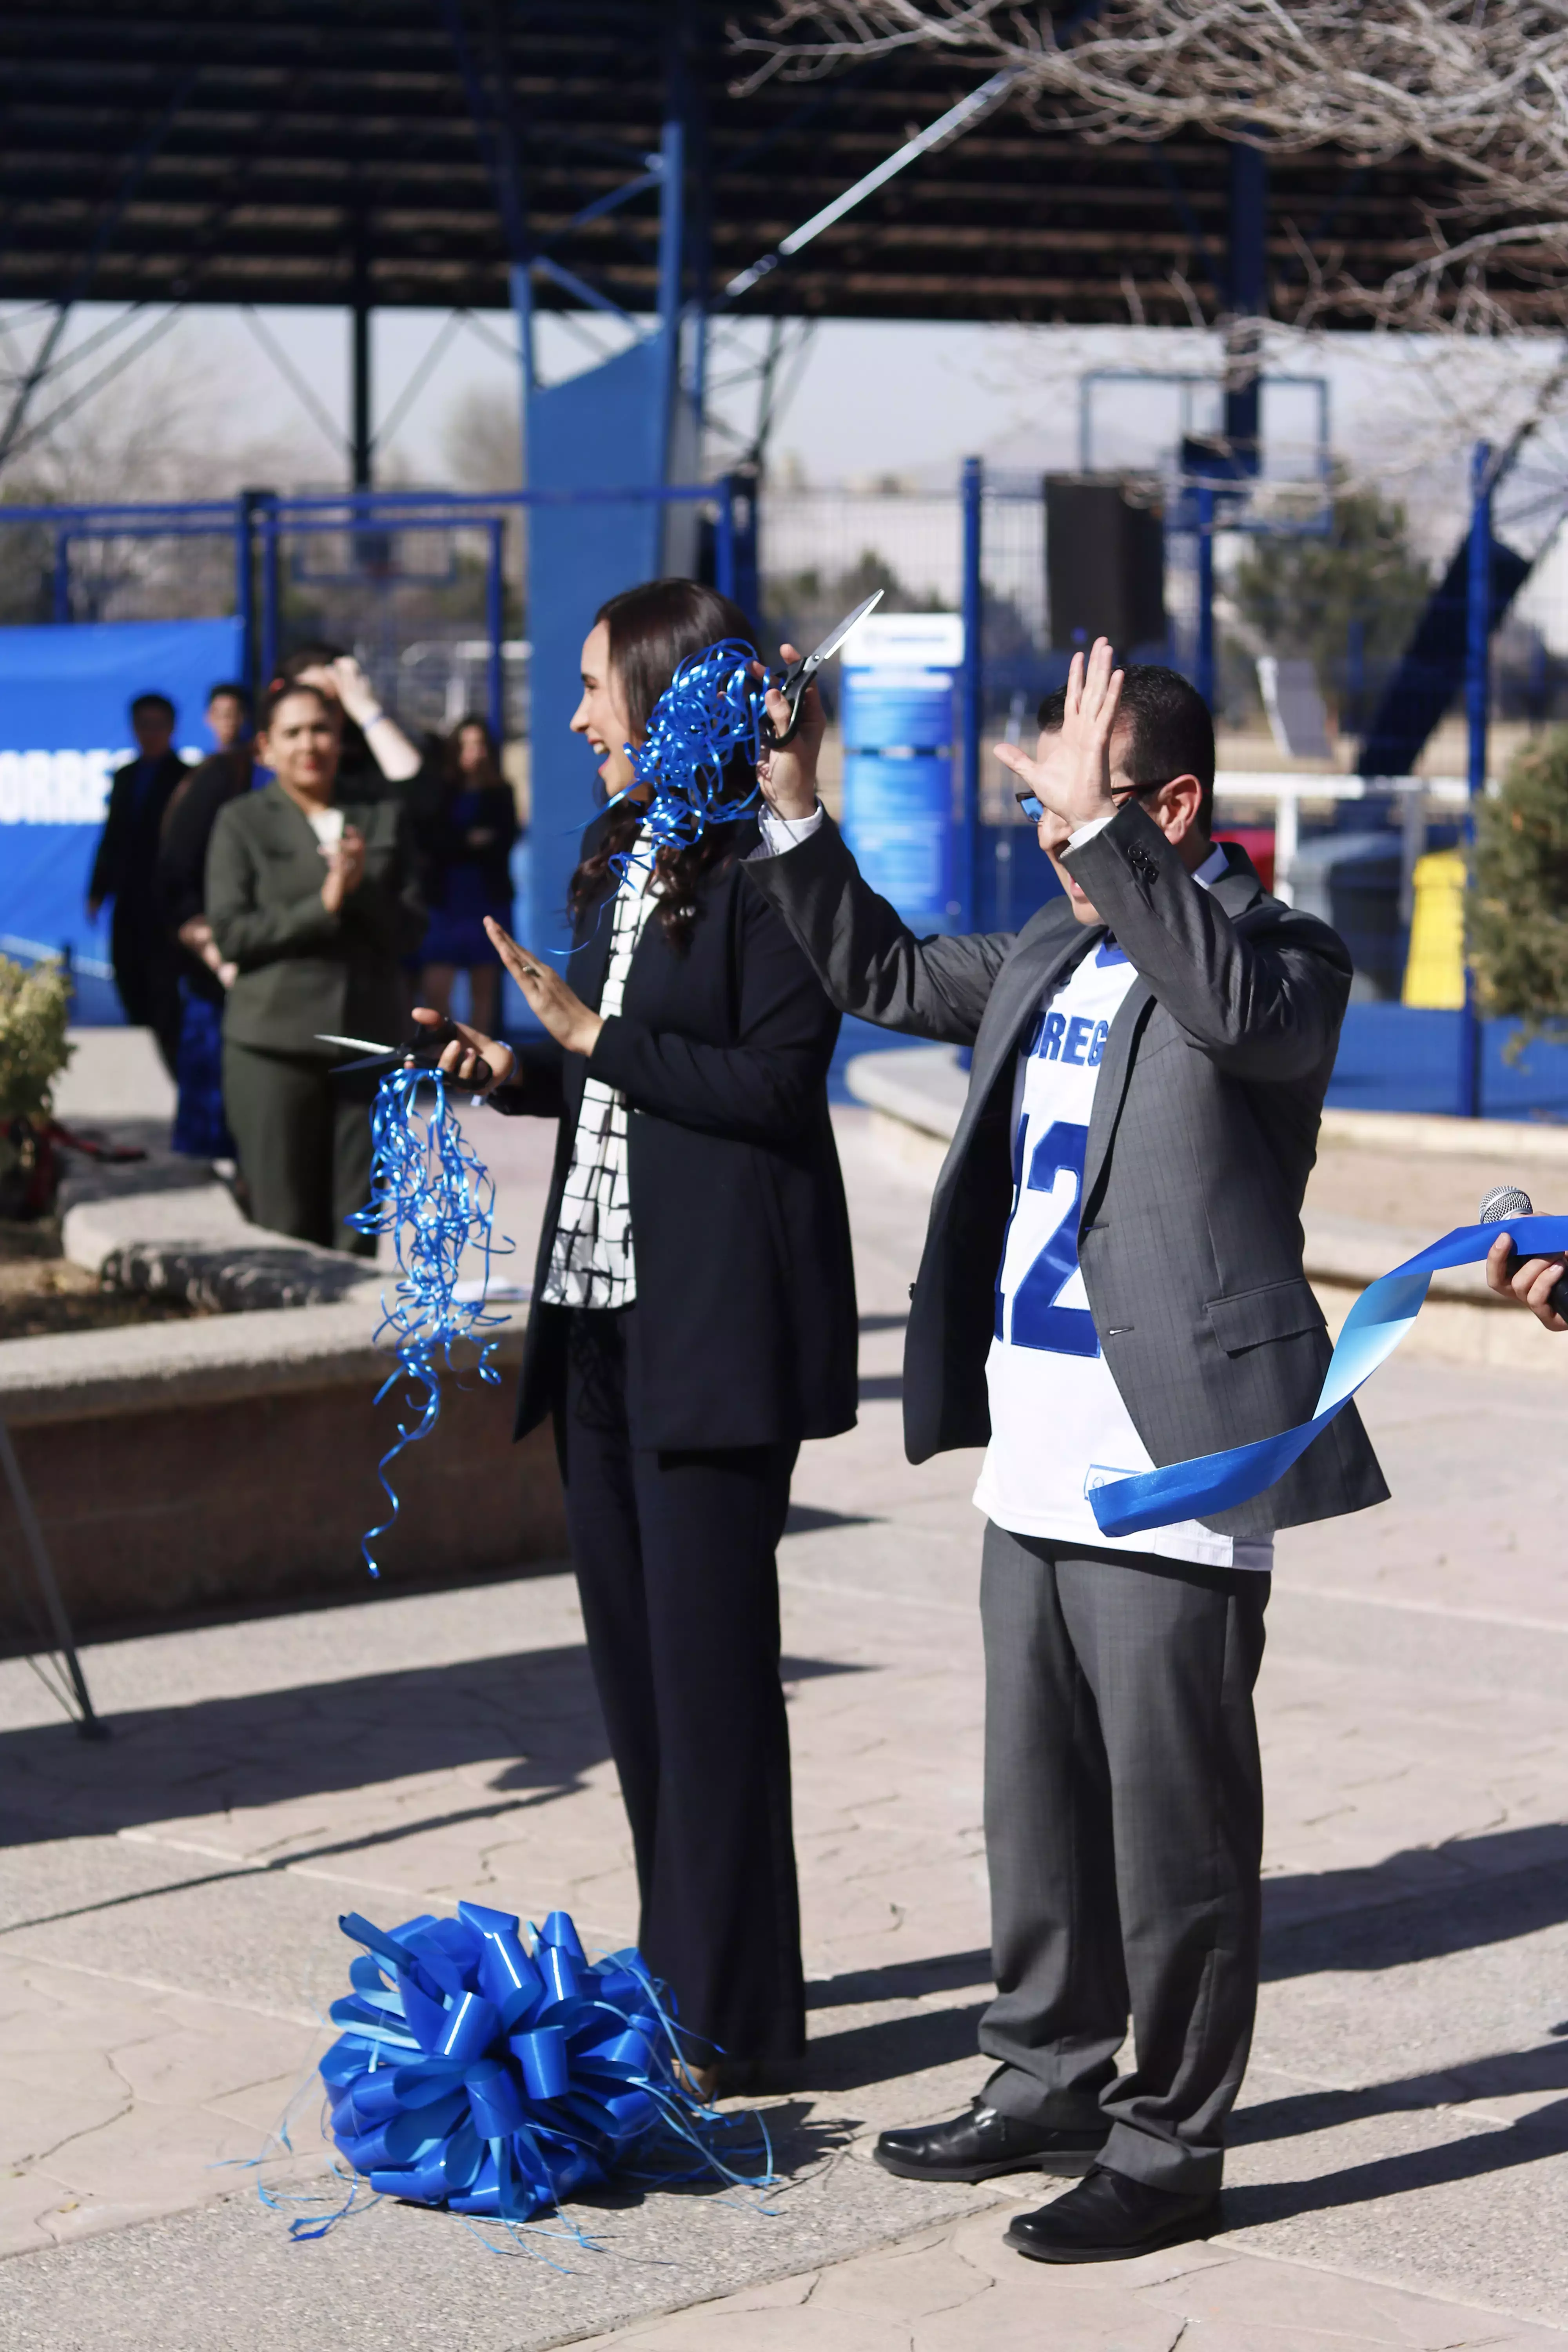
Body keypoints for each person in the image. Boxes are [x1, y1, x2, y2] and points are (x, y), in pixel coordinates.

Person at [736, 639, 1388, 2261]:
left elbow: (1233, 1013)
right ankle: (1046, 2072)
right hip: (1029, 1458)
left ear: (1169, 805)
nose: (1048, 838)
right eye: (1042, 815)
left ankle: (1170, 2144)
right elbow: (883, 978)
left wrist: (1112, 838)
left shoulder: (1278, 955)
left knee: (1175, 1834)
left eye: (1078, 809)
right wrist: (799, 810)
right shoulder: (1050, 943)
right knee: (1036, 1811)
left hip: (1176, 1470)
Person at [412, 578, 859, 2090]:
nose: (580, 715)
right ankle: (689, 1981)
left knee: (715, 1685)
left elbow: (775, 1090)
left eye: (597, 684)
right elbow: (619, 1073)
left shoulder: (769, 869)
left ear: (670, 689)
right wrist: (520, 1063)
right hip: (598, 1324)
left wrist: (600, 1042)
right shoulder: (620, 852)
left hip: (714, 1327)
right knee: (637, 1690)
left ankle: (728, 2023)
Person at [205, 681, 424, 1250]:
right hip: (272, 1046)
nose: (310, 744)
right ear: (266, 748)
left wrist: (359, 889)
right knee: (284, 1227)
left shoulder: (380, 817)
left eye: (321, 729)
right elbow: (232, 935)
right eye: (293, 732)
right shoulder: (242, 821)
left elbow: (410, 928)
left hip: (365, 1042)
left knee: (358, 1225)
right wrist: (323, 903)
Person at [158, 684, 256, 1159]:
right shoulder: (216, 779)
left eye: (237, 714)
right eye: (221, 714)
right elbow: (178, 867)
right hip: (216, 949)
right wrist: (206, 941)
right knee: (210, 1053)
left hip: (246, 947)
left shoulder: (251, 775)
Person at [87, 691, 189, 1073]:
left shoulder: (185, 778)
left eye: (157, 725)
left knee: (163, 986)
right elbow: (112, 837)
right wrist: (98, 890)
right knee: (127, 971)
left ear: (172, 728)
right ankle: (145, 1048)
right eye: (143, 725)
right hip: (128, 899)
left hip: (166, 904)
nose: (150, 733)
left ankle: (170, 1062)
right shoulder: (126, 776)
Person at [415, 715, 519, 1034]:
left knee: (484, 986)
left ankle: (481, 1060)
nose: (475, 752)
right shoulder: (441, 792)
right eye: (467, 745)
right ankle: (447, 1048)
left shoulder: (501, 792)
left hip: (487, 897)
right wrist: (467, 841)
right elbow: (433, 841)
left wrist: (472, 842)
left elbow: (504, 838)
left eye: (480, 745)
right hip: (446, 899)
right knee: (436, 985)